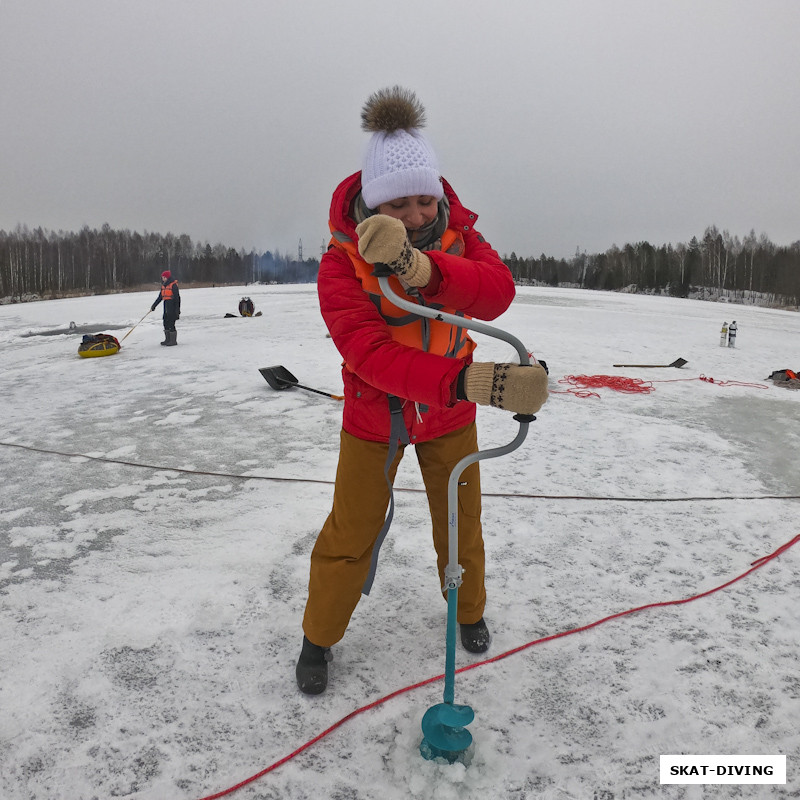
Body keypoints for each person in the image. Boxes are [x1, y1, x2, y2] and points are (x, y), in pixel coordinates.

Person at [296, 86, 549, 695]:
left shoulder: (461, 238)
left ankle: (469, 611)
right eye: (397, 204)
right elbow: (369, 355)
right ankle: (318, 637)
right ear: (371, 205)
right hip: (374, 418)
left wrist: (422, 270)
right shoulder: (339, 264)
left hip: (450, 418)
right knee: (350, 530)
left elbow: (495, 293)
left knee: (461, 523)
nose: (413, 214)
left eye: (422, 199)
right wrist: (471, 380)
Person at [151, 270, 180, 346]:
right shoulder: (163, 286)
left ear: (167, 277)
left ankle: (173, 341)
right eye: (162, 277)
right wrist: (154, 305)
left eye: (164, 277)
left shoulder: (173, 285)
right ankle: (167, 339)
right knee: (165, 322)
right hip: (166, 305)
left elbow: (177, 298)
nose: (162, 279)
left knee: (171, 323)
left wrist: (177, 310)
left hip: (172, 305)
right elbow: (160, 297)